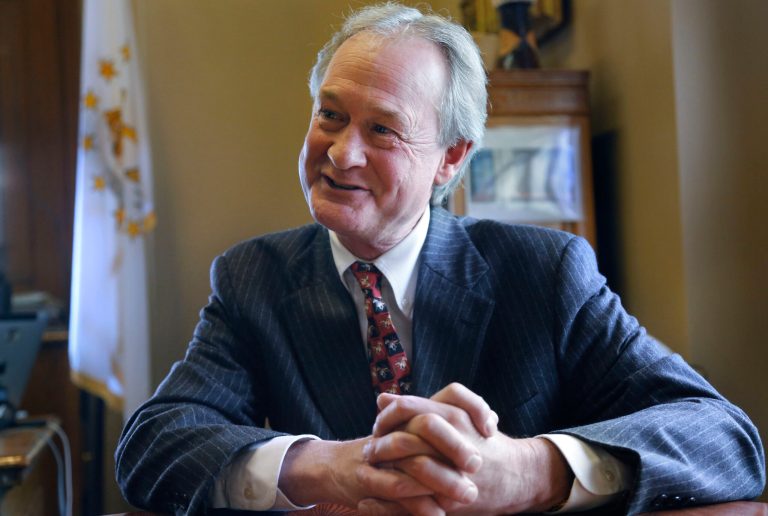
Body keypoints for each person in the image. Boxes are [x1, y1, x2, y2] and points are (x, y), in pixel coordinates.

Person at [115, 3, 765, 515]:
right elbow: (151, 446)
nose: (341, 153)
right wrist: (324, 467)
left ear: (451, 158)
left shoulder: (546, 272)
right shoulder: (252, 277)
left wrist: (531, 472)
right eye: (331, 116)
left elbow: (724, 437)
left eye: (382, 129)